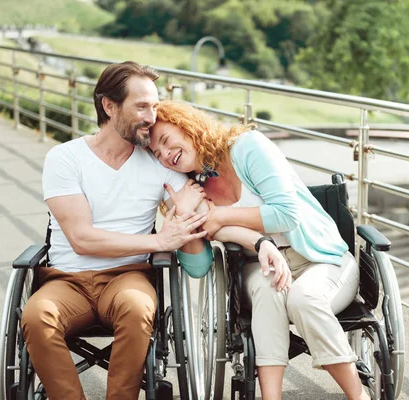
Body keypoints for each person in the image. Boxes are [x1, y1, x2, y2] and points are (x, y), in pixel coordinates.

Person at [21, 61, 287, 400]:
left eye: (155, 105)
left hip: (128, 277)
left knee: (138, 309)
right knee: (36, 316)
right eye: (142, 106)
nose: (151, 115)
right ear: (109, 106)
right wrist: (160, 240)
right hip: (66, 278)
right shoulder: (65, 158)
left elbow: (212, 221)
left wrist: (260, 241)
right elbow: (81, 238)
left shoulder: (158, 165)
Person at [149, 100, 368, 400]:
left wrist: (220, 216)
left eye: (165, 140)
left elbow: (286, 215)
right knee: (268, 290)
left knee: (305, 299)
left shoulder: (246, 147)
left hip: (320, 258)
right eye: (157, 154)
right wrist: (187, 216)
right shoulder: (195, 188)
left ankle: (359, 397)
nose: (165, 155)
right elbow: (202, 259)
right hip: (257, 265)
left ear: (186, 125)